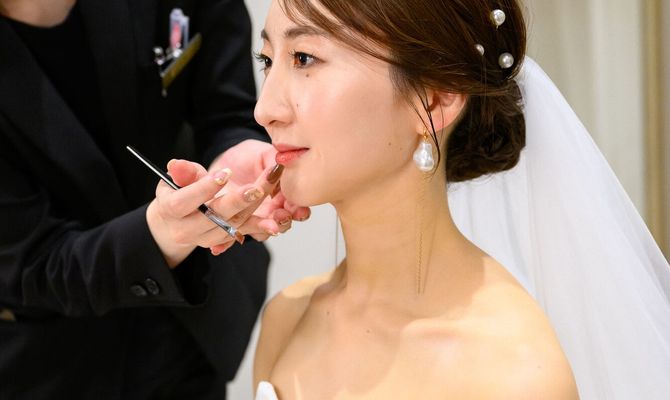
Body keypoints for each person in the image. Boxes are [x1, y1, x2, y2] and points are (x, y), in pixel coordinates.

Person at [251, 0, 670, 399]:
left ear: (436, 99)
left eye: (304, 58)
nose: (264, 110)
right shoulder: (285, 319)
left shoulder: (513, 375)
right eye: (268, 60)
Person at [0, 0, 306, 398]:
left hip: (193, 324)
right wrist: (161, 234)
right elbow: (32, 261)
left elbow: (228, 108)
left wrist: (231, 155)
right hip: (47, 357)